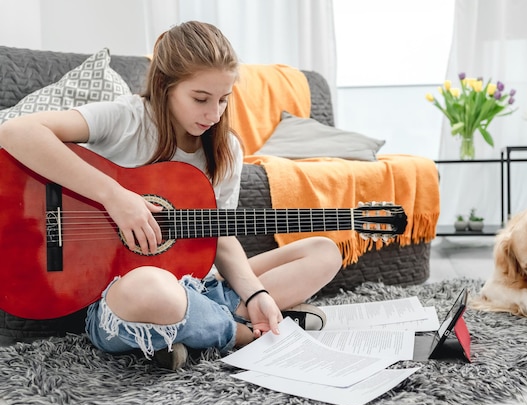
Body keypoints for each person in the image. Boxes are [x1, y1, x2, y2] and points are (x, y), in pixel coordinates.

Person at [0, 21, 342, 370]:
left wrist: (256, 293)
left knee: (324, 252)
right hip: (119, 297)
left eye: (224, 100)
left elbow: (219, 233)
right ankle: (240, 334)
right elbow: (15, 132)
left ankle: (187, 330)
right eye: (200, 99)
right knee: (152, 289)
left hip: (200, 287)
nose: (214, 114)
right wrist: (115, 197)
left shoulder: (227, 150)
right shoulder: (127, 119)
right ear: (165, 86)